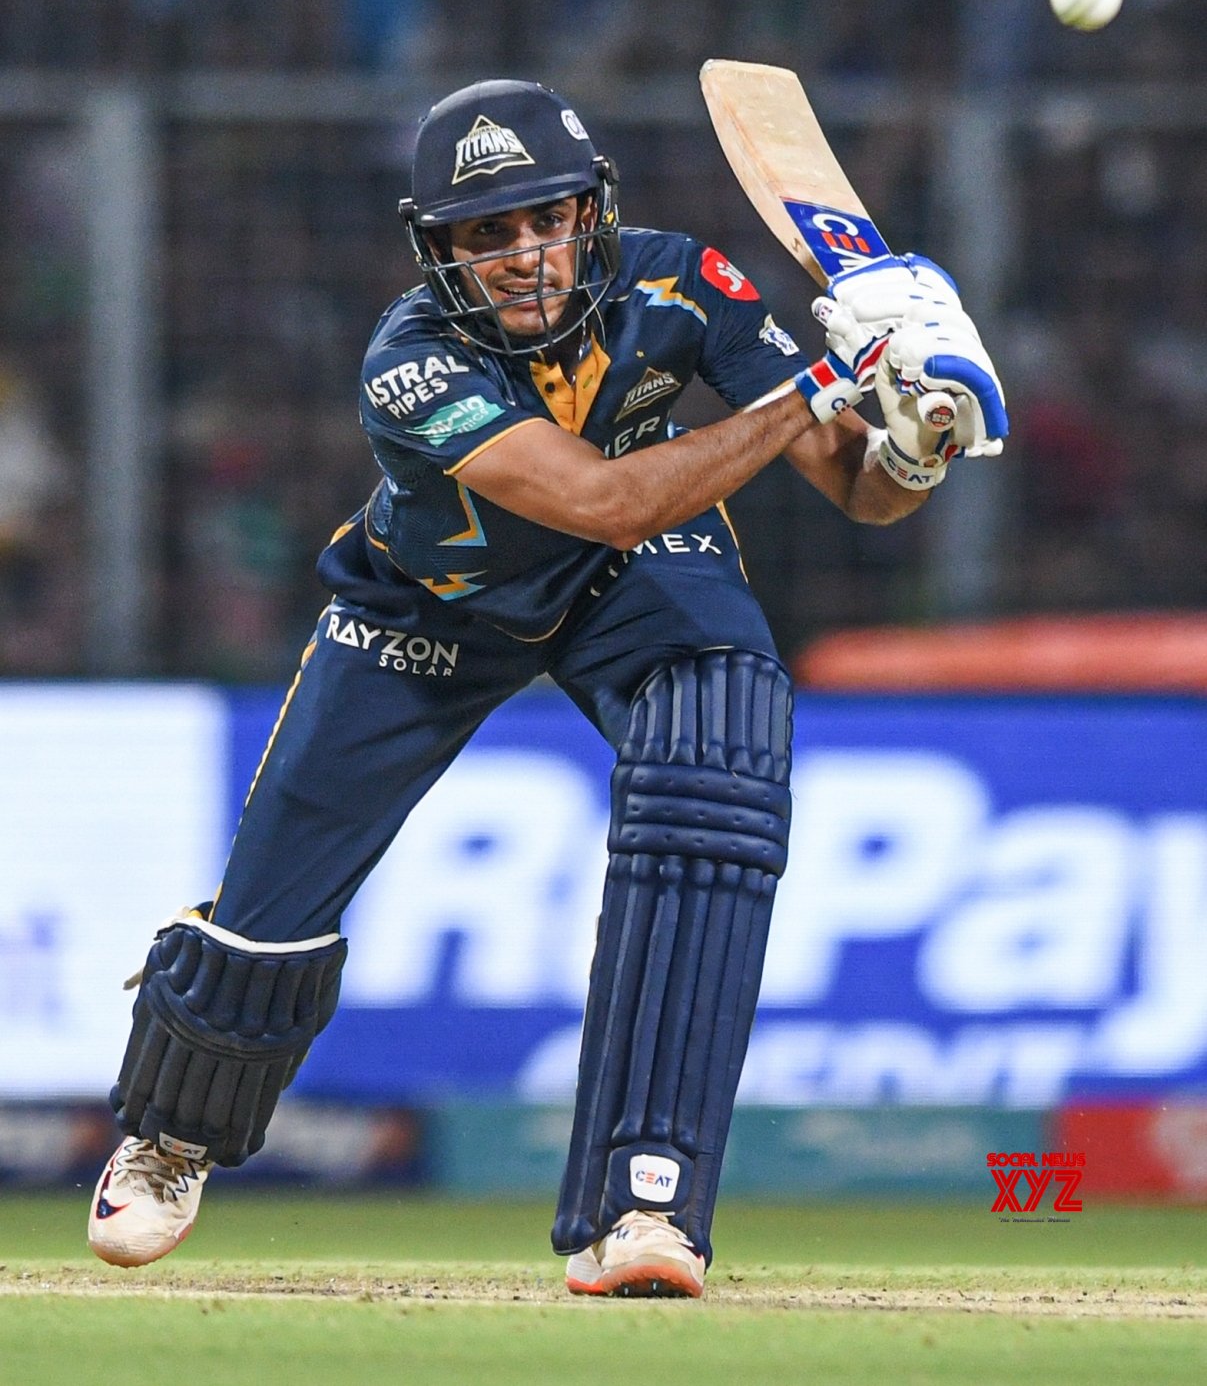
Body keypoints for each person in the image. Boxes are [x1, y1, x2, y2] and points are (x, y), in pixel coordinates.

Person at [87, 79, 1006, 1295]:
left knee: (716, 757)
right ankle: (173, 1134)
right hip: (434, 602)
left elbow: (862, 492)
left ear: (593, 211)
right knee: (267, 910)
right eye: (488, 234)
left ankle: (647, 1201)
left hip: (630, 579)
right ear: (439, 251)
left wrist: (912, 428)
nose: (527, 255)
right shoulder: (408, 361)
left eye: (550, 219)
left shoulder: (682, 283)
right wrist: (824, 381)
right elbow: (599, 494)